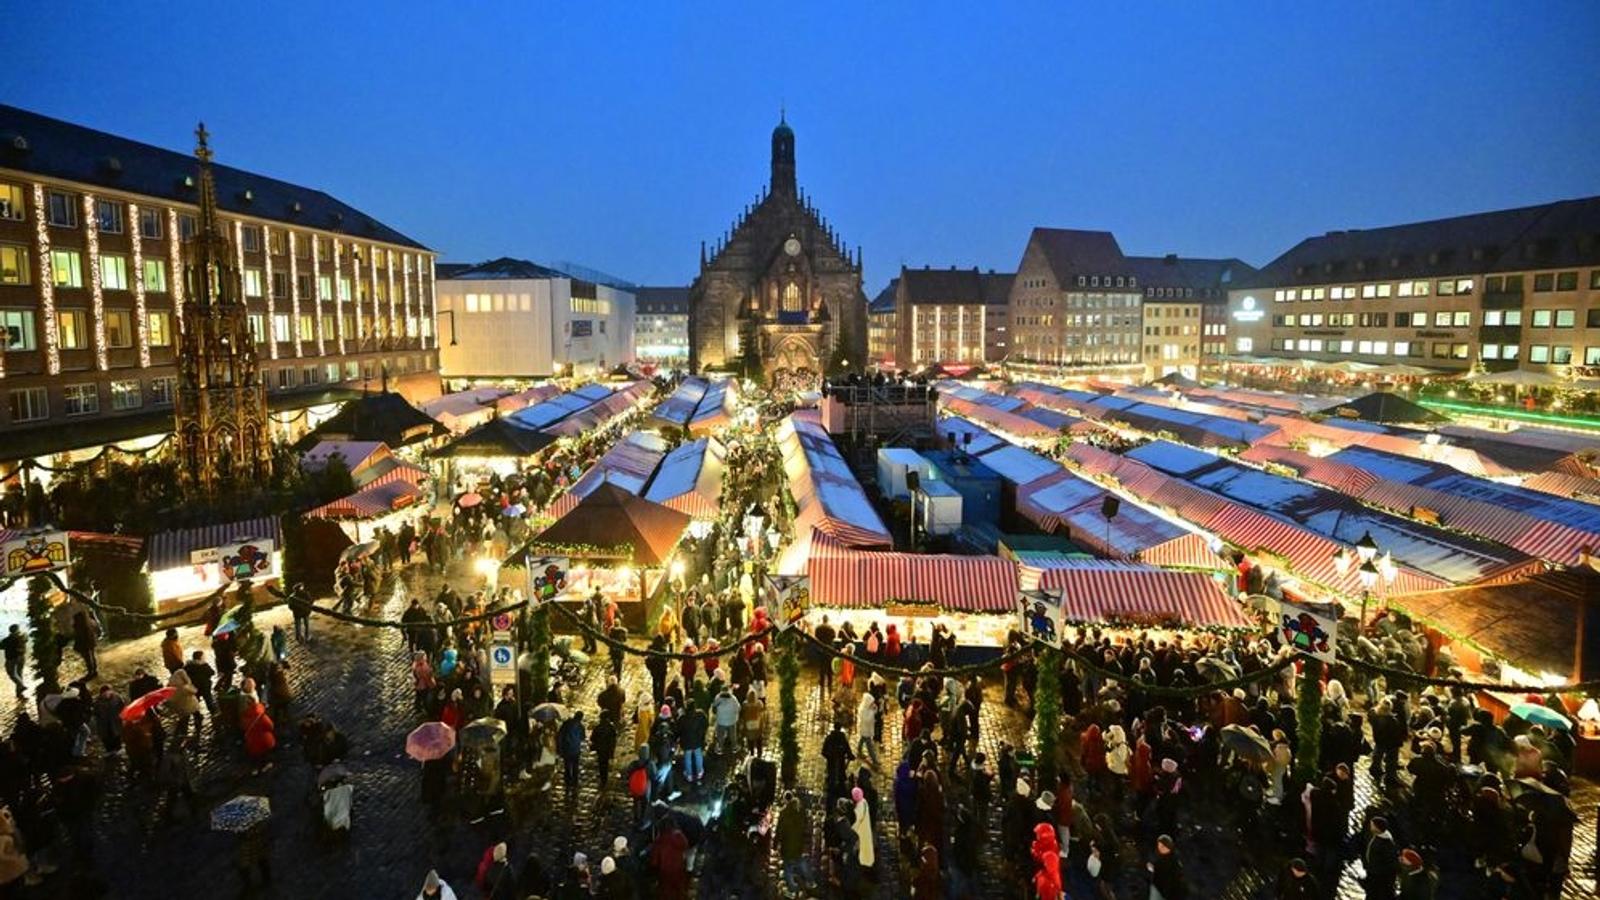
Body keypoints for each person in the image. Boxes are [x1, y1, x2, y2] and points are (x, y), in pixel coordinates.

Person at [776, 791, 810, 895]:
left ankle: (791, 890)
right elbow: (805, 826)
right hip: (798, 843)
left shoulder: (784, 812)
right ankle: (808, 881)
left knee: (787, 866)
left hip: (787, 844)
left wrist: (776, 842)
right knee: (798, 861)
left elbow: (780, 829)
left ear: (786, 800)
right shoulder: (800, 811)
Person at [1364, 816, 1399, 900]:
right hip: (1374, 873)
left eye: (1372, 825)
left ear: (1377, 828)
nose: (1370, 827)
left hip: (1378, 876)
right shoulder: (1378, 837)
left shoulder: (1385, 844)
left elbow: (1390, 862)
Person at [1149, 833, 1187, 900]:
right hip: (1157, 889)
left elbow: (1171, 877)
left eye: (1163, 846)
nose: (1160, 848)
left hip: (1168, 892)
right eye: (1159, 846)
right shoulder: (1158, 858)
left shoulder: (1173, 861)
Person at [557, 711, 586, 792]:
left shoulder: (566, 723)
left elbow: (560, 734)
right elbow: (583, 737)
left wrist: (560, 747)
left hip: (566, 748)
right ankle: (574, 781)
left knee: (567, 765)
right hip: (576, 749)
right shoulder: (581, 726)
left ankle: (567, 781)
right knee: (575, 766)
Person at [591, 710, 618, 789]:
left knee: (601, 764)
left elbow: (592, 738)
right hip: (607, 750)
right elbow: (613, 740)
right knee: (605, 764)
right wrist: (612, 751)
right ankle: (604, 779)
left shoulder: (598, 727)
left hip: (600, 749)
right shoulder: (611, 728)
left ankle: (602, 779)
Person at [71, 610, 98, 679]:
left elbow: (78, 635)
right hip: (89, 641)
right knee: (91, 655)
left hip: (85, 642)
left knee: (88, 657)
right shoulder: (90, 622)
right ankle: (93, 670)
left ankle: (91, 671)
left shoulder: (80, 624)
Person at [1, 625, 24, 698]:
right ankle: (19, 693)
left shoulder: (8, 639)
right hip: (21, 658)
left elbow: (1, 646)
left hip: (11, 659)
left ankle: (21, 686)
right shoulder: (22, 637)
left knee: (12, 674)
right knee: (19, 674)